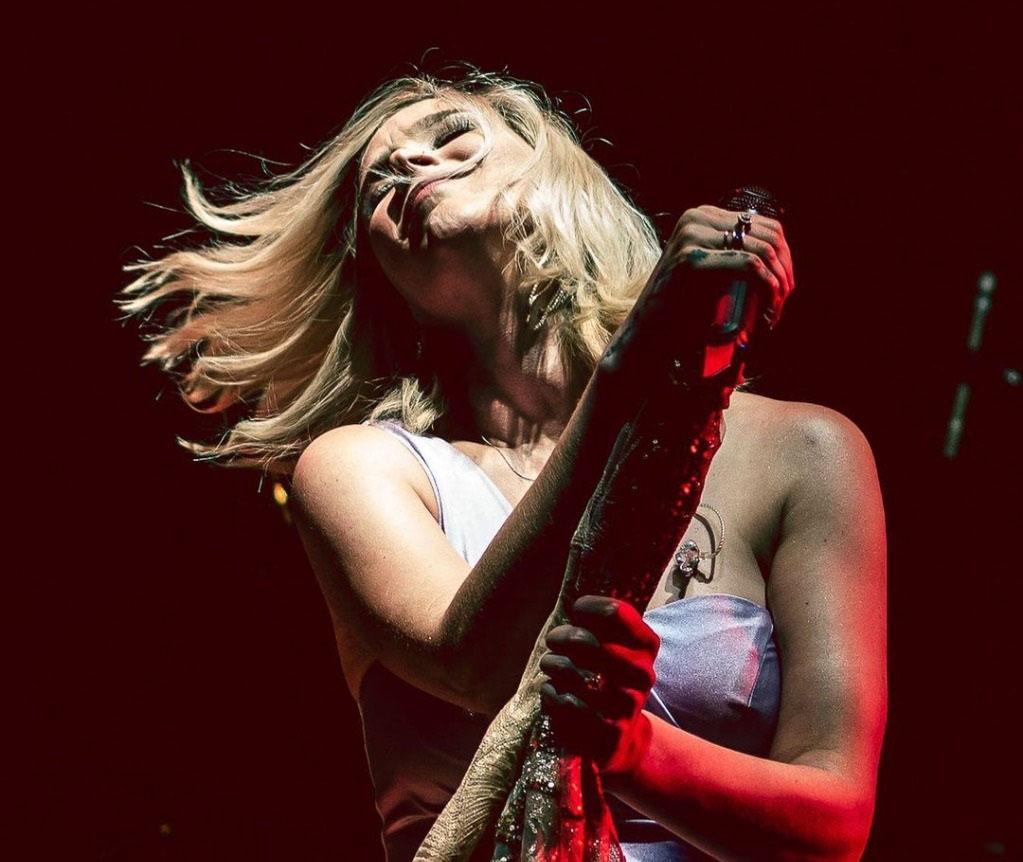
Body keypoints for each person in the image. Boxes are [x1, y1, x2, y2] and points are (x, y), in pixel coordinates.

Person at [118, 66, 887, 861]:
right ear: (386, 285)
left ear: (559, 175)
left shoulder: (801, 450)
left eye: (450, 137)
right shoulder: (364, 470)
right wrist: (631, 368)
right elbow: (478, 666)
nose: (407, 164)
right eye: (377, 185)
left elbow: (834, 826)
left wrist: (632, 751)